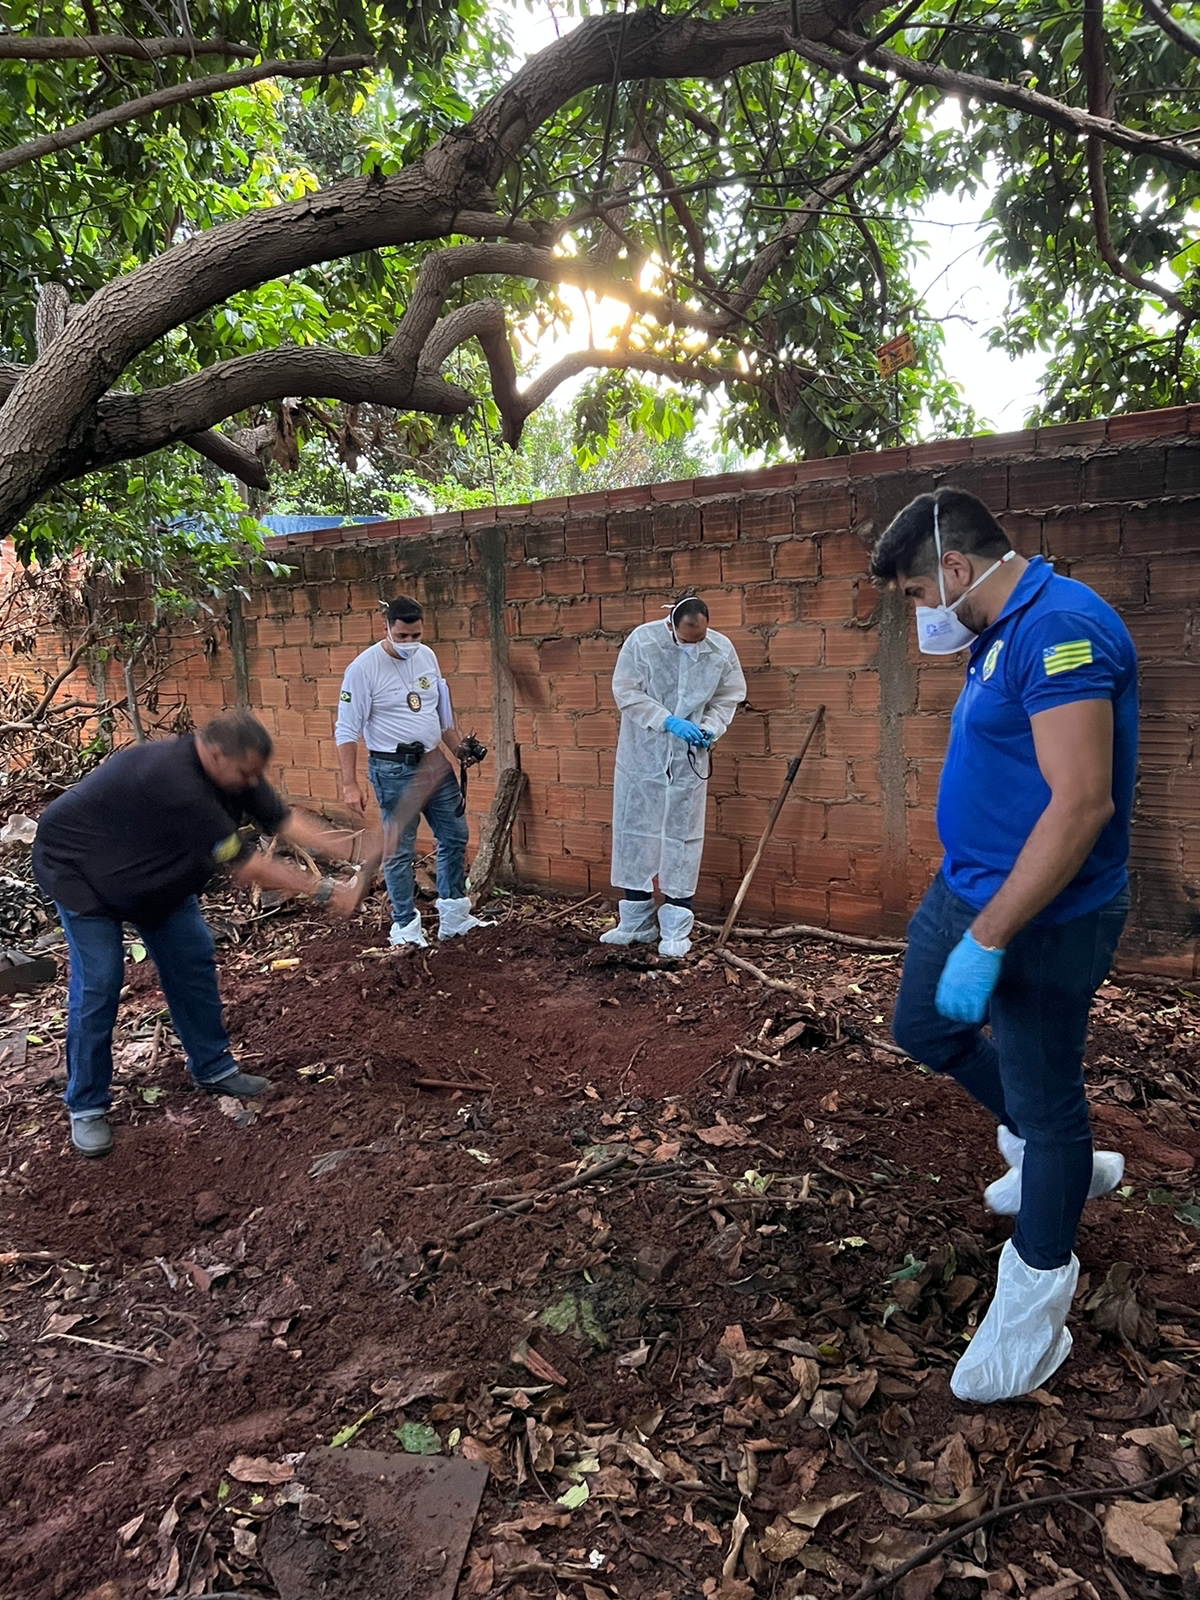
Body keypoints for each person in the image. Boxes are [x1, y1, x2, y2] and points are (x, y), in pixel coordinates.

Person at [870, 488, 1137, 1403]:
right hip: (968, 888)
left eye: (914, 595)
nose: (918, 615)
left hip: (1046, 919)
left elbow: (1081, 804)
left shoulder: (1064, 629)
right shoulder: (996, 630)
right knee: (924, 1028)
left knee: (1047, 1089)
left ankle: (1036, 1300)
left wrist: (991, 934)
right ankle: (1051, 1149)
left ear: (953, 569)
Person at [32, 711, 380, 1158]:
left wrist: (358, 848)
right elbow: (248, 865)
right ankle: (86, 1104)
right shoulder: (178, 784)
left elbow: (285, 821)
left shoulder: (237, 771)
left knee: (192, 957)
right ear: (214, 754)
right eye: (246, 773)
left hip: (152, 872)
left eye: (258, 773)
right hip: (81, 869)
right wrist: (328, 890)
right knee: (100, 979)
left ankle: (213, 1067)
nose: (253, 781)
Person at [335, 593, 489, 947]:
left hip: (434, 763)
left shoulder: (427, 656)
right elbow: (346, 729)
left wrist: (458, 751)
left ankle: (454, 915)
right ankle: (405, 927)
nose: (410, 643)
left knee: (454, 836)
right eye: (402, 636)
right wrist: (349, 783)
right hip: (392, 770)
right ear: (386, 628)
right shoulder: (363, 668)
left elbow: (440, 714)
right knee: (399, 850)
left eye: (416, 635)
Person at [602, 597, 746, 958]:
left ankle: (677, 927)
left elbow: (728, 697)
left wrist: (709, 728)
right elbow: (626, 691)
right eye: (687, 638)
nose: (695, 645)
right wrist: (666, 720)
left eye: (700, 637)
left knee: (682, 836)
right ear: (671, 625)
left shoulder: (720, 648)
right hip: (642, 753)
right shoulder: (643, 641)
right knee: (635, 832)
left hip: (687, 761)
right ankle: (635, 922)